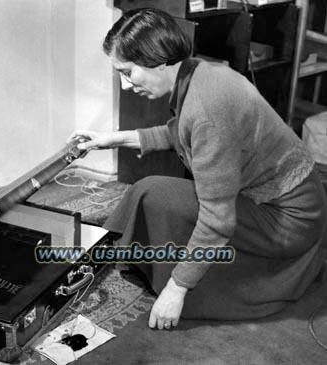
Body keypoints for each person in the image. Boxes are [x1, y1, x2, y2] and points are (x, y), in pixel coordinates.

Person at [68, 8, 327, 330]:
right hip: (295, 198)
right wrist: (114, 138)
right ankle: (119, 250)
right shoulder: (200, 72)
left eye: (128, 71)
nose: (124, 85)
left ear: (157, 58)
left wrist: (177, 288)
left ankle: (169, 275)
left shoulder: (207, 111)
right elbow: (181, 132)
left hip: (289, 220)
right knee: (151, 189)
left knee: (163, 199)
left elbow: (217, 221)